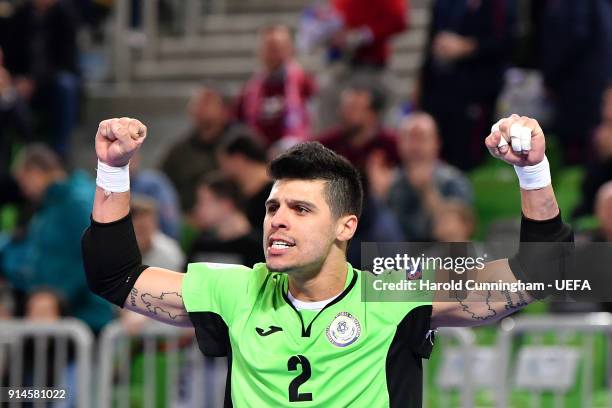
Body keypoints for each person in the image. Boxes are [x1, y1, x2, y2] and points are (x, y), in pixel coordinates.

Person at [82, 114, 573, 406]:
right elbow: (116, 275)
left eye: (300, 209)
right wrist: (113, 169)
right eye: (273, 207)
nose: (277, 220)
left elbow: (541, 275)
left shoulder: (395, 289)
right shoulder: (238, 290)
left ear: (347, 227)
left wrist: (534, 175)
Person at [1, 144, 113, 333]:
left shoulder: (77, 203)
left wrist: (57, 298)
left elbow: (94, 258)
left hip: (84, 318)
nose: (23, 190)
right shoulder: (46, 210)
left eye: (23, 181)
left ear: (35, 172)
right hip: (56, 318)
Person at [416, 0, 517, 170]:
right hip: (440, 90)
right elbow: (431, 40)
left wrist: (468, 46)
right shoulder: (444, 5)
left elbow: (506, 43)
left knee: (466, 156)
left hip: (475, 93)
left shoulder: (499, 6)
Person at [3, 0, 80, 156]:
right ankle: (21, 151)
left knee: (66, 85)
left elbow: (67, 61)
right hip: (22, 81)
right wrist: (17, 80)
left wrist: (35, 82)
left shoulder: (65, 15)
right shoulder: (19, 16)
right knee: (7, 93)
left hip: (51, 81)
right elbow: (10, 58)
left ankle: (61, 149)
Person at [387, 112, 473, 241]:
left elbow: (458, 231)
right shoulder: (391, 183)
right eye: (409, 138)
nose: (415, 147)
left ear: (436, 143)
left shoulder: (454, 181)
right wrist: (378, 196)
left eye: (421, 138)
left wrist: (428, 191)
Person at [160, 85, 242, 213]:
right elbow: (163, 185)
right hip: (188, 220)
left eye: (207, 102)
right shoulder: (179, 151)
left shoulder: (239, 145)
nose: (200, 108)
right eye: (197, 103)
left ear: (225, 111)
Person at [235, 24, 316, 146]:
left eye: (279, 48)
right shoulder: (249, 90)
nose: (275, 54)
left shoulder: (304, 82)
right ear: (260, 51)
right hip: (260, 155)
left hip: (295, 154)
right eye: (270, 48)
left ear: (290, 49)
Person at [317, 82, 399, 171]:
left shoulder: (392, 145)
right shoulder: (327, 145)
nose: (344, 113)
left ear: (372, 115)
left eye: (353, 108)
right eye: (344, 107)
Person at [189, 173, 262, 267]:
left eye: (202, 202)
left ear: (225, 205)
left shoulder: (257, 247)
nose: (197, 208)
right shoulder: (201, 244)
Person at [216, 133, 273, 230]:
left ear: (238, 160)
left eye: (223, 164)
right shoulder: (240, 193)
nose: (222, 171)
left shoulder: (278, 191)